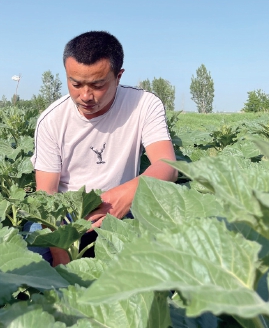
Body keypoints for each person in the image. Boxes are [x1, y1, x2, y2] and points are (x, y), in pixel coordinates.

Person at [31, 31, 177, 266]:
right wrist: (63, 261)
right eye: (75, 84)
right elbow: (46, 197)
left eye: (98, 85)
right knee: (26, 263)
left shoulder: (144, 105)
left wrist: (128, 193)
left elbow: (167, 166)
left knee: (168, 260)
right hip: (67, 217)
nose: (85, 96)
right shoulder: (51, 120)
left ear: (118, 76)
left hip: (125, 209)